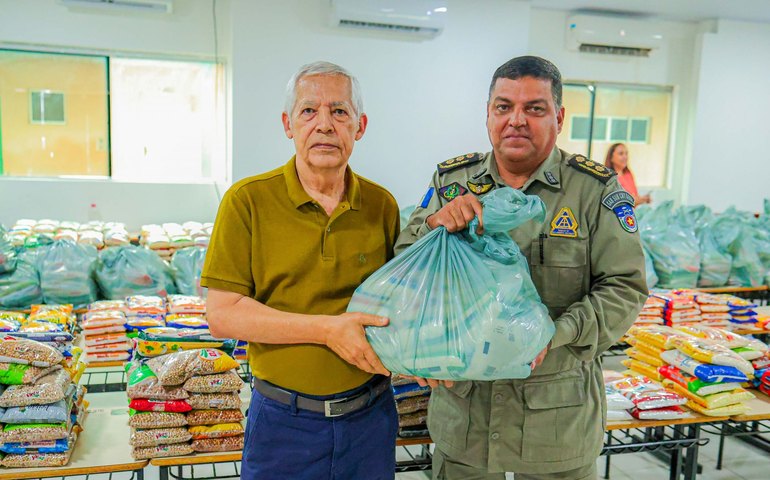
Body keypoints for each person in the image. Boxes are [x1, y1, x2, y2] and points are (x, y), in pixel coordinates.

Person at [396, 56, 648, 479]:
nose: (516, 120)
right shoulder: (451, 183)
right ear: (488, 113)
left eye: (534, 108)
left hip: (557, 427)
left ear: (559, 117)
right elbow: (407, 271)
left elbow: (625, 287)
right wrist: (435, 226)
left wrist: (556, 332)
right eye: (503, 107)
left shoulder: (592, 190)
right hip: (466, 423)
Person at [201, 61, 401, 480]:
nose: (324, 124)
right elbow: (222, 315)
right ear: (288, 124)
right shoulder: (246, 201)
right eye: (309, 111)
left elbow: (399, 304)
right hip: (283, 425)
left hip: (370, 420)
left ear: (360, 126)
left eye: (339, 111)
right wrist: (327, 329)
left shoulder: (382, 205)